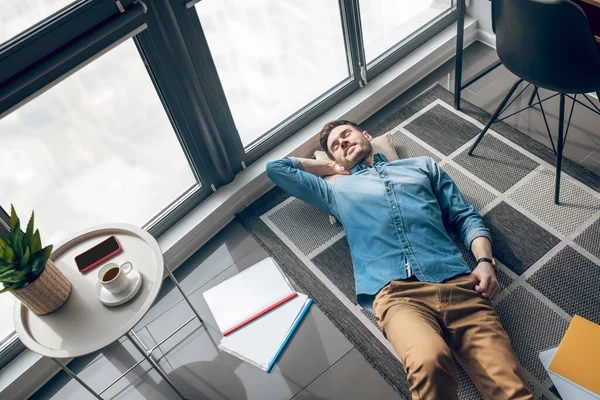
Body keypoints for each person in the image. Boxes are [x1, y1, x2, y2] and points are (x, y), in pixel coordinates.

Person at [266, 120, 533, 400]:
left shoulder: (422, 166)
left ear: (366, 135)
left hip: (460, 285)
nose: (343, 142)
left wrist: (484, 262)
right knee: (428, 362)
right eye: (336, 146)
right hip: (397, 296)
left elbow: (464, 215)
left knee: (512, 391)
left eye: (346, 135)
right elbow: (277, 168)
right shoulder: (335, 191)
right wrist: (331, 168)